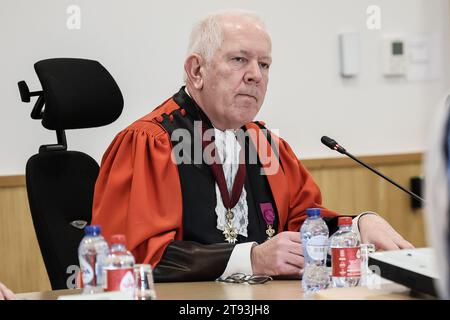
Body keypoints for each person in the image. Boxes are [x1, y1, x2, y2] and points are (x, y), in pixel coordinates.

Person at [91, 10, 413, 282]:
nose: (255, 76)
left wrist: (356, 225)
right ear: (196, 70)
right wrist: (252, 259)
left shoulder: (267, 145)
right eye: (239, 59)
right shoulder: (151, 143)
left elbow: (302, 223)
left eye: (264, 65)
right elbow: (133, 257)